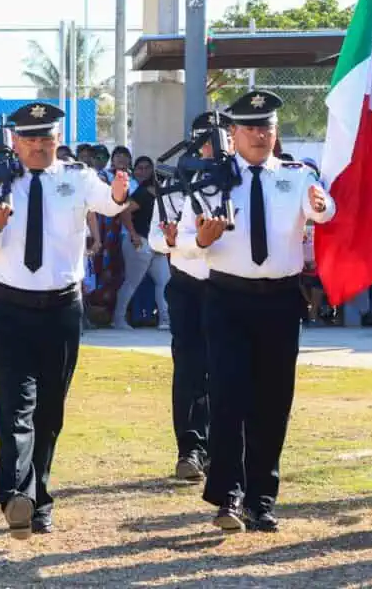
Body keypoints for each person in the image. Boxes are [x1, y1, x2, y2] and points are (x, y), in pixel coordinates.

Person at [0, 102, 129, 539]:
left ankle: (38, 499)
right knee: (16, 406)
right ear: (15, 142)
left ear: (58, 139)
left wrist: (118, 192)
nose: (38, 145)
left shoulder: (75, 178)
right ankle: (18, 496)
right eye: (29, 138)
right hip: (9, 309)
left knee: (50, 411)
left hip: (60, 309)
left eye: (45, 137)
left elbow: (110, 205)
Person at [177, 90, 335, 534]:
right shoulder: (209, 179)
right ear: (233, 135)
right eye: (250, 128)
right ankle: (226, 495)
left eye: (266, 127)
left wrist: (322, 207)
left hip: (281, 300)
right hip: (227, 298)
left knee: (272, 402)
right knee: (228, 397)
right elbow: (184, 239)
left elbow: (322, 208)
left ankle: (261, 499)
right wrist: (202, 241)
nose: (260, 135)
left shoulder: (297, 174)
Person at [148, 111, 220, 481]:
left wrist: (184, 243)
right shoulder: (176, 184)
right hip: (189, 287)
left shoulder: (235, 181)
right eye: (205, 140)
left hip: (229, 288)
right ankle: (191, 449)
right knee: (190, 370)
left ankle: (223, 450)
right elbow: (156, 237)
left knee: (227, 371)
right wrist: (180, 242)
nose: (211, 147)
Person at [112, 155, 170, 330]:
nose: (144, 171)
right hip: (140, 242)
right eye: (140, 168)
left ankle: (165, 320)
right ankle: (119, 319)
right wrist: (133, 234)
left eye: (148, 168)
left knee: (165, 281)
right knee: (132, 282)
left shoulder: (161, 194)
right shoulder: (143, 192)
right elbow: (124, 212)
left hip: (156, 244)